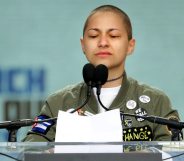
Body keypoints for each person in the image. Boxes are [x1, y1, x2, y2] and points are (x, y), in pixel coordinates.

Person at [23, 4, 180, 142]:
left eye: (113, 36)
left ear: (130, 46)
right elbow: (31, 146)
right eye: (93, 36)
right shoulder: (59, 103)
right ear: (83, 45)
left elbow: (174, 151)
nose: (103, 42)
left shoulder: (156, 102)